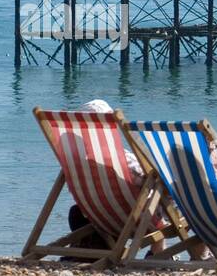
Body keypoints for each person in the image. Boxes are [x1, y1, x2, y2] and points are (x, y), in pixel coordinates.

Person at [65, 99, 165, 254]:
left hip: (99, 217)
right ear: (111, 127)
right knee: (160, 199)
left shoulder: (75, 160)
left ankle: (87, 247)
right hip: (135, 220)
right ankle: (158, 255)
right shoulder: (121, 158)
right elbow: (151, 181)